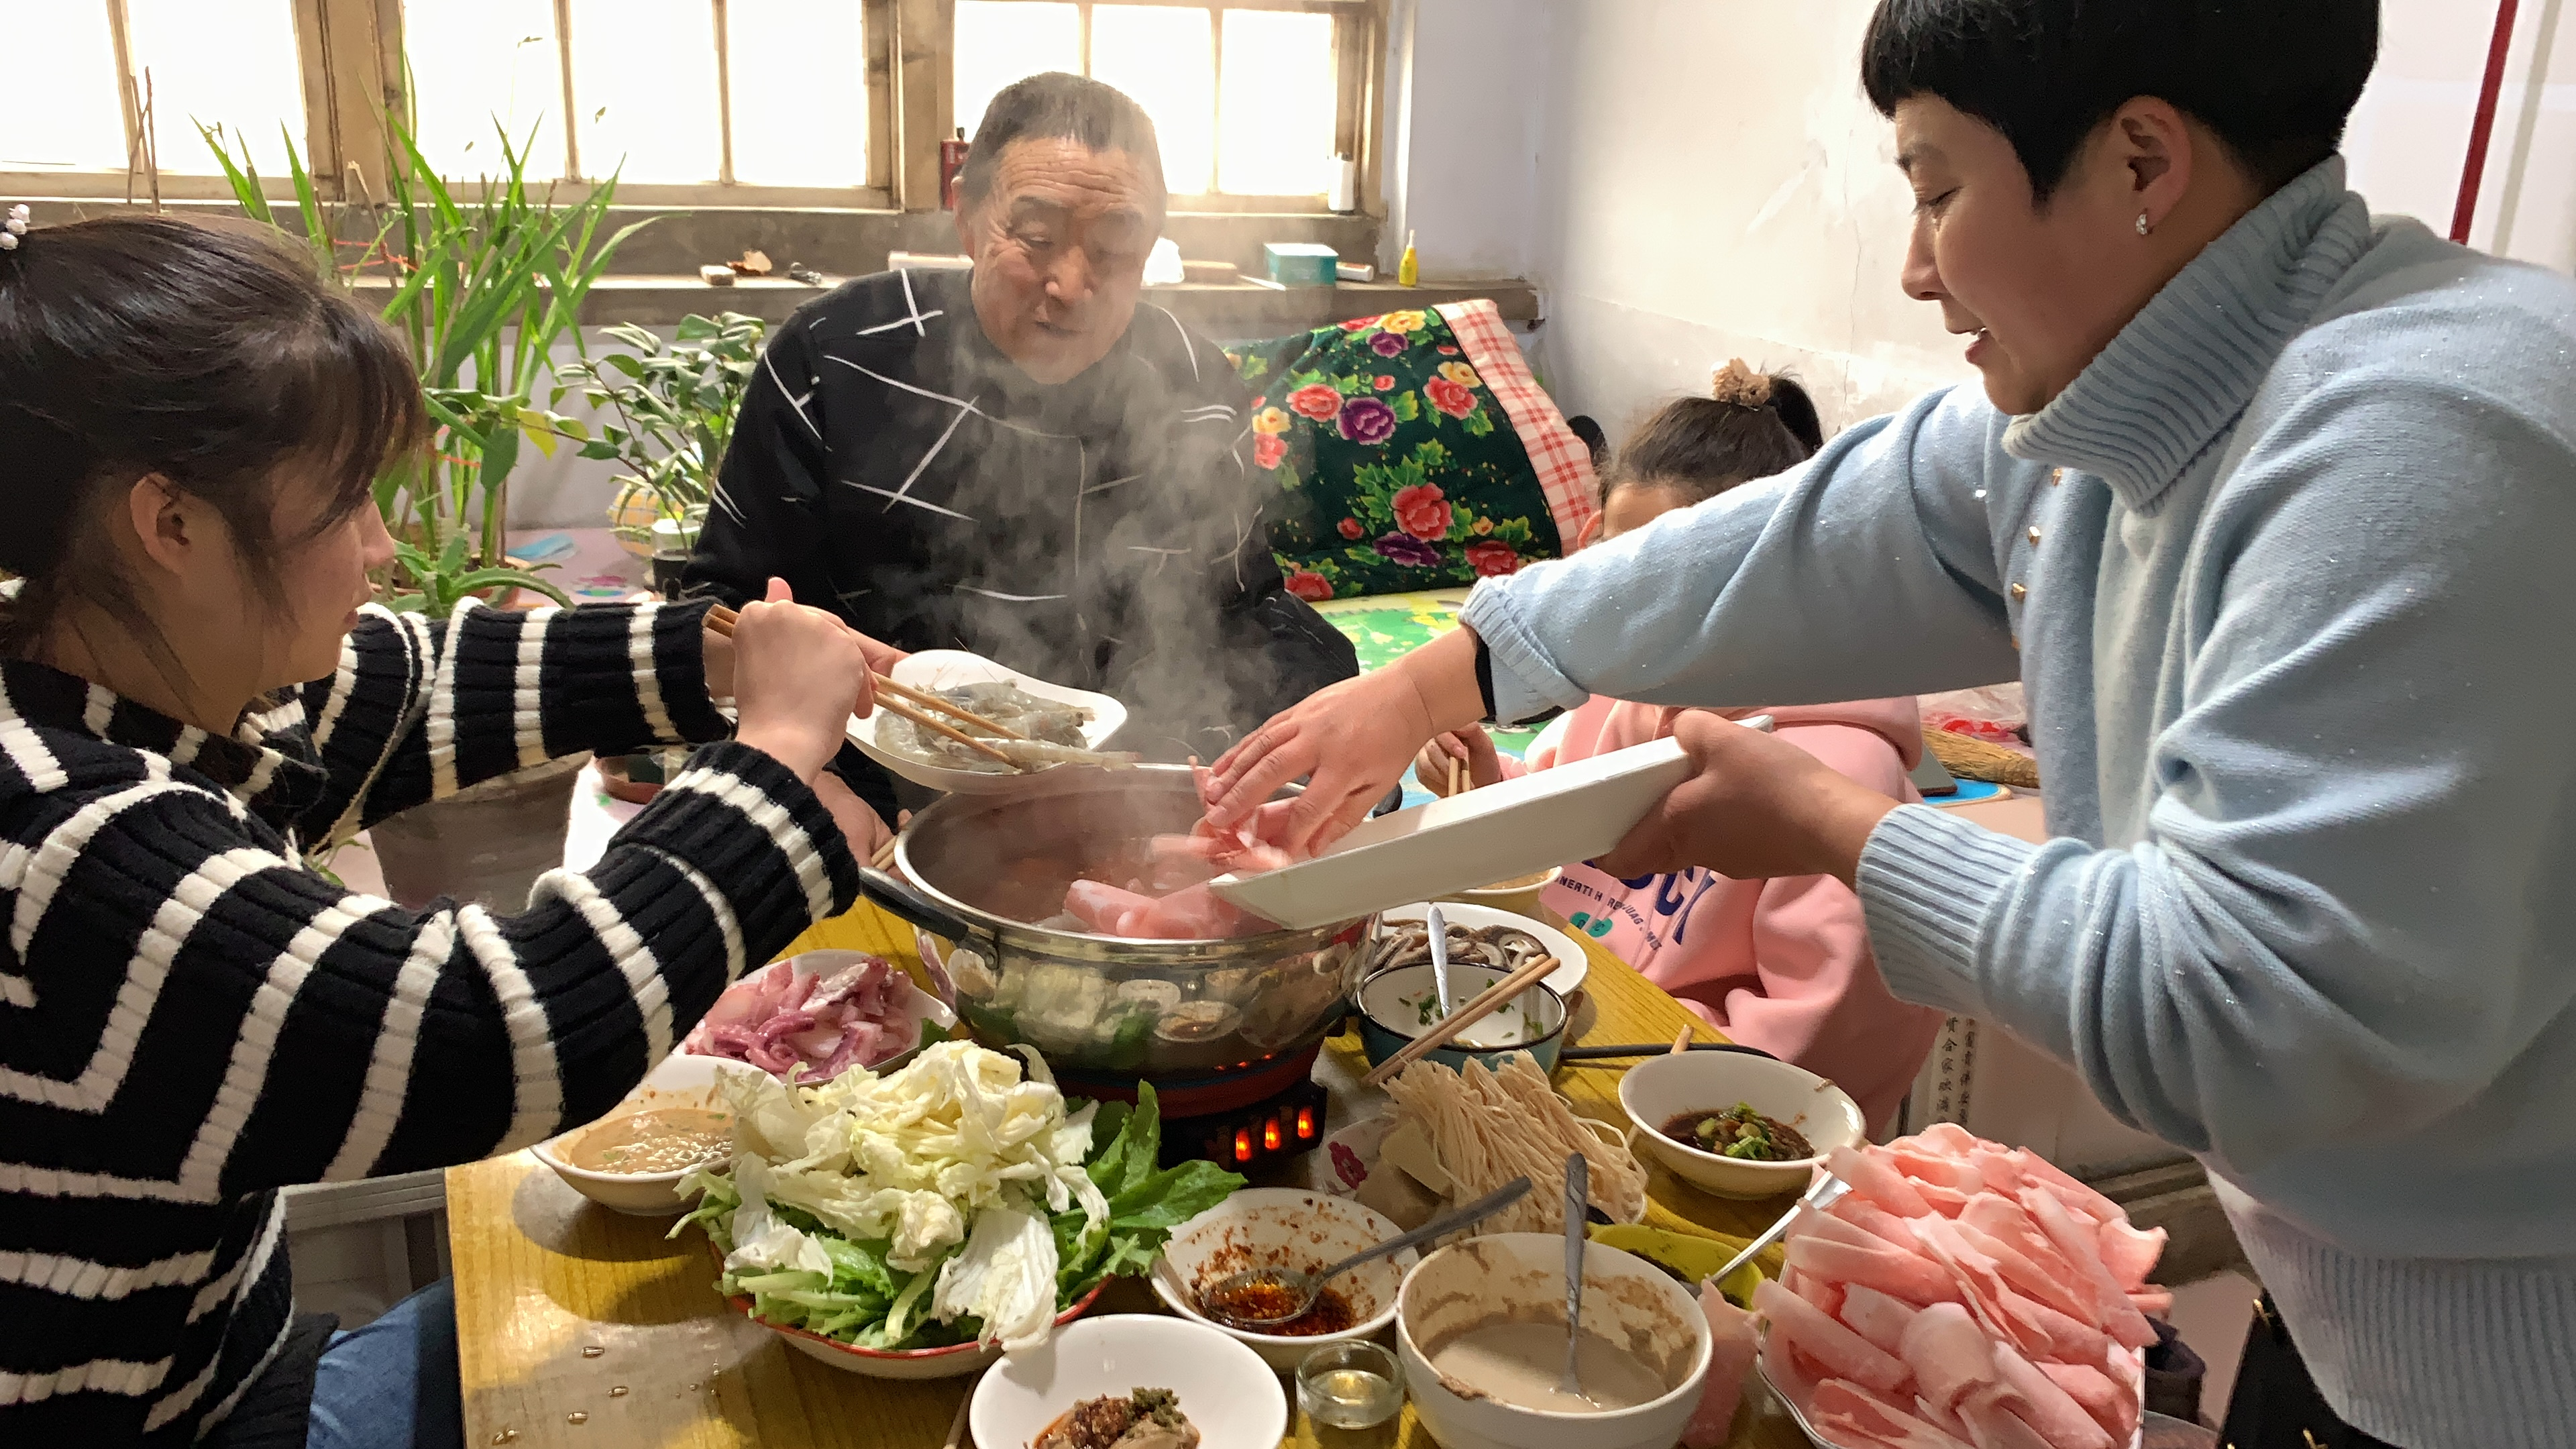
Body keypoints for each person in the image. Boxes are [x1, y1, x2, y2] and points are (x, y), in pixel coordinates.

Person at [1201, 3, 2576, 1445]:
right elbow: (1801, 539)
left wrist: (1835, 833)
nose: (1916, 269)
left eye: (1935, 191)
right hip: (2356, 1301)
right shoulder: (2115, 412)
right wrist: (1444, 673)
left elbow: (2256, 1013)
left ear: (2142, 161)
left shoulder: (2421, 441)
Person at [0, 213, 894, 1446]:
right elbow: (481, 1034)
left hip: (221, 1366)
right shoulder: (63, 834)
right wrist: (777, 764)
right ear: (173, 524)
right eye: (347, 503)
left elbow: (411, 683)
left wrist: (714, 658)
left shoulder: (122, 682)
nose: (382, 548)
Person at [684, 71, 1358, 833]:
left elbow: (1241, 611)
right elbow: (719, 616)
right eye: (1035, 239)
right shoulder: (831, 358)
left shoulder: (1193, 383)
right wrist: (800, 783)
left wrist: (1322, 736)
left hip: (1114, 800)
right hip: (865, 805)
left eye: (1114, 249)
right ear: (967, 218)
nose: (1070, 283)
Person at [1411, 365, 1940, 1133]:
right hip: (1564, 1029)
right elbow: (1568, 824)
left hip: (1698, 1112)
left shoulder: (1842, 773)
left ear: (1769, 577)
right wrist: (1497, 782)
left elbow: (1817, 1050)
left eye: (1663, 585)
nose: (1628, 615)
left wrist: (1651, 1092)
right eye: (1612, 576)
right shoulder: (1623, 695)